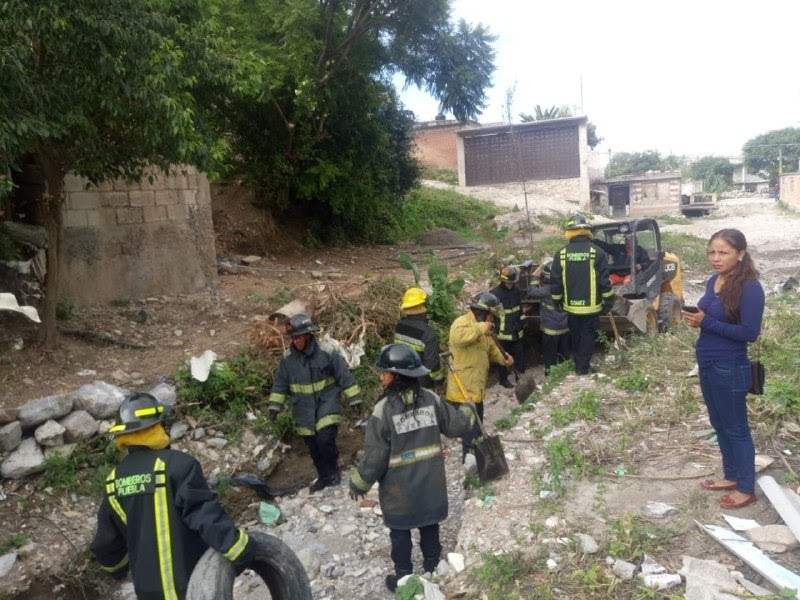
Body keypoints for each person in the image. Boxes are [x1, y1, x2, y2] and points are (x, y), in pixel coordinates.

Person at [91, 392, 255, 599]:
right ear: (157, 427)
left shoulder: (114, 481)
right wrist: (242, 549)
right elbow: (204, 514)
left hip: (148, 592)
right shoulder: (178, 466)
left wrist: (116, 569)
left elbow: (107, 543)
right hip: (190, 585)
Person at [348, 344, 474, 593]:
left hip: (399, 490)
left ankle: (404, 578)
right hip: (430, 483)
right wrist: (468, 408)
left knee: (400, 532)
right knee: (429, 524)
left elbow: (375, 457)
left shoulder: (382, 411)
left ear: (397, 376)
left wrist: (358, 483)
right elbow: (457, 426)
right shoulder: (431, 399)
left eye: (385, 372)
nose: (381, 376)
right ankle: (433, 566)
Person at [683, 229, 764, 509]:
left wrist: (706, 322)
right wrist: (696, 320)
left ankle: (746, 487)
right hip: (707, 363)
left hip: (730, 366)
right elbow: (710, 317)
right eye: (711, 252)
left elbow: (749, 332)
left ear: (740, 254)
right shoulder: (713, 281)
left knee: (737, 428)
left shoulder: (750, 288)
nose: (715, 258)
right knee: (719, 425)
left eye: (723, 252)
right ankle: (731, 475)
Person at [268, 313, 363, 492]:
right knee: (313, 446)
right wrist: (275, 406)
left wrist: (355, 398)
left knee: (325, 439)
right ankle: (324, 476)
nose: (295, 341)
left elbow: (344, 376)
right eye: (293, 338)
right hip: (303, 410)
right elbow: (280, 384)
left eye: (298, 337)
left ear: (308, 334)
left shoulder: (327, 352)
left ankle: (333, 472)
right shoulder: (288, 360)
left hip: (327, 401)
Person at [445, 292, 512, 460]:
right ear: (484, 312)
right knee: (470, 434)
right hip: (462, 393)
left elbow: (490, 350)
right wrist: (482, 327)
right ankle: (469, 466)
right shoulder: (461, 323)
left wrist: (504, 358)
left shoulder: (485, 331)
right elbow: (459, 337)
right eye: (491, 315)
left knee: (478, 431)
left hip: (477, 391)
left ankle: (478, 461)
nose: (492, 319)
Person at [549, 214, 614, 375]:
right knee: (587, 336)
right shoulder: (597, 253)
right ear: (587, 231)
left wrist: (556, 302)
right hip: (591, 308)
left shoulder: (561, 254)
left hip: (570, 307)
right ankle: (582, 368)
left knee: (575, 336)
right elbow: (604, 282)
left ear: (569, 232)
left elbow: (555, 282)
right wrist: (608, 302)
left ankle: (579, 363)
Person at [394, 286, 444, 390]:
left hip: (402, 381)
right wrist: (439, 381)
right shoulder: (428, 333)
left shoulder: (399, 327)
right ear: (423, 308)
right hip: (422, 387)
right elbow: (432, 367)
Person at [527, 258, 570, 375]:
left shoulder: (546, 290)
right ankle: (564, 377)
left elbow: (531, 291)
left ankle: (550, 377)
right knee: (564, 354)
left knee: (550, 356)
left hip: (550, 330)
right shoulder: (567, 286)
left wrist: (539, 270)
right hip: (565, 327)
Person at [490, 265, 525, 388]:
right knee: (503, 358)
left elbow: (519, 309)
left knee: (519, 354)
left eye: (512, 283)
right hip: (503, 333)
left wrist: (522, 322)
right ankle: (503, 379)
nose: (511, 285)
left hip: (516, 330)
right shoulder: (494, 294)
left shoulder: (516, 291)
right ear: (503, 281)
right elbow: (491, 314)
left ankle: (520, 376)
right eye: (509, 283)